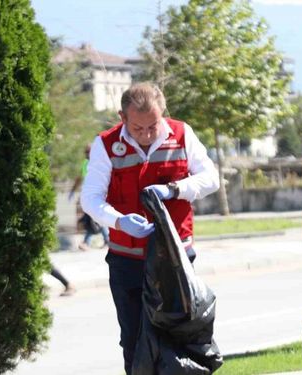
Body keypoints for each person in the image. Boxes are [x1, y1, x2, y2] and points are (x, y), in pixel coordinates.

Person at [80, 82, 219, 375]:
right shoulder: (106, 145)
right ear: (122, 117)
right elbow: (90, 199)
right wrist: (120, 221)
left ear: (163, 112)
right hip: (127, 261)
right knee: (133, 340)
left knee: (181, 338)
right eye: (137, 128)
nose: (145, 135)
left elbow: (210, 179)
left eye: (152, 126)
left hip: (176, 260)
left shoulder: (182, 135)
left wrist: (174, 189)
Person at [69, 145, 109, 251]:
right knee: (92, 218)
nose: (87, 155)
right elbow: (80, 178)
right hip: (88, 195)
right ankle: (104, 240)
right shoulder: (85, 164)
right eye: (86, 153)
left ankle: (89, 242)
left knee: (93, 218)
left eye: (88, 152)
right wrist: (73, 190)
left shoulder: (100, 163)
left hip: (99, 195)